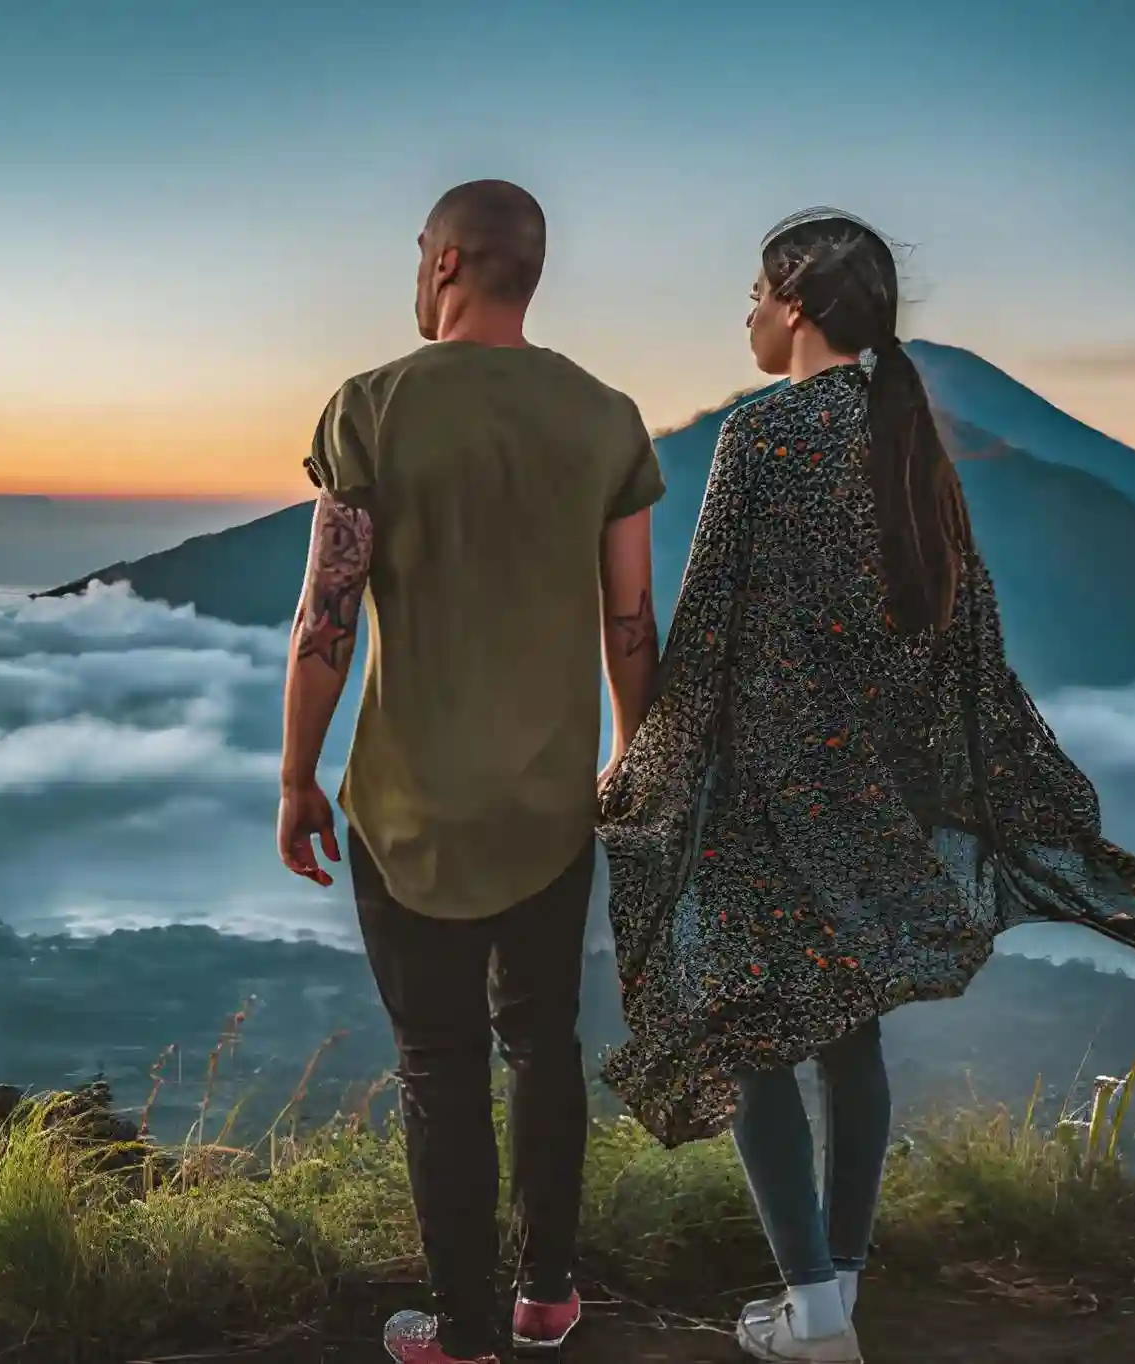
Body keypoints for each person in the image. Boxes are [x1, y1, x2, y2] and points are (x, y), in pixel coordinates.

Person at [596, 207, 1135, 1364]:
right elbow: (958, 643)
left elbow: (707, 631)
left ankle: (813, 1310)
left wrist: (641, 763)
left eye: (750, 289)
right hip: (872, 805)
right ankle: (832, 1296)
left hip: (762, 804)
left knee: (750, 1036)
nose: (741, 312)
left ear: (792, 298)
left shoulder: (761, 439)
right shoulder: (908, 442)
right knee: (848, 1040)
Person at [276, 179, 664, 1364]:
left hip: (411, 809)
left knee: (438, 1064)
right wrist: (628, 758)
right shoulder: (604, 416)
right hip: (551, 807)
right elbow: (630, 620)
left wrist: (297, 775)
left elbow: (324, 617)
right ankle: (547, 1292)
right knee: (542, 1041)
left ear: (445, 263)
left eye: (416, 254)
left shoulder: (370, 407)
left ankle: (464, 1329)